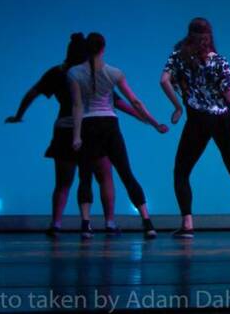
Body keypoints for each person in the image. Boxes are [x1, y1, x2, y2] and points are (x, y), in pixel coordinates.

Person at [6, 33, 161, 236]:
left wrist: (19, 115)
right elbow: (118, 102)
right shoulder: (94, 73)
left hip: (64, 130)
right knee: (105, 177)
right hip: (93, 127)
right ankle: (110, 223)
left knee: (64, 182)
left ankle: (57, 224)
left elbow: (32, 93)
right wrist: (146, 119)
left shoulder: (59, 73)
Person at [161, 18, 230, 238]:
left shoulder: (179, 58)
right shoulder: (219, 61)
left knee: (181, 171)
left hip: (198, 120)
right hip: (223, 119)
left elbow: (164, 81)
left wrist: (177, 107)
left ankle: (188, 224)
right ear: (209, 37)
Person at [69, 32, 165, 239]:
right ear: (103, 48)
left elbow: (77, 106)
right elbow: (135, 101)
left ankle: (86, 225)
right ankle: (147, 222)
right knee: (125, 172)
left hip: (88, 125)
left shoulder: (74, 73)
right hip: (109, 125)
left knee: (85, 175)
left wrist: (76, 136)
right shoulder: (114, 72)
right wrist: (154, 122)